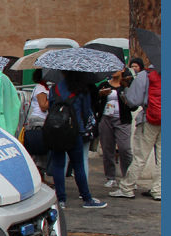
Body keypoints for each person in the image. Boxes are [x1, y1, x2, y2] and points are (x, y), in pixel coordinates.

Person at [47, 70, 106, 209]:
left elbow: (50, 109)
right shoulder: (82, 90)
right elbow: (86, 113)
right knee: (78, 165)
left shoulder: (54, 89)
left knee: (58, 165)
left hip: (56, 131)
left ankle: (61, 200)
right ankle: (86, 198)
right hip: (75, 131)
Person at [111, 58, 160, 201]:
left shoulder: (146, 74)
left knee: (140, 156)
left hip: (149, 119)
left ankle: (127, 187)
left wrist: (126, 88)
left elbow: (134, 101)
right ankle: (159, 190)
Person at [97, 68, 133, 187]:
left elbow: (133, 105)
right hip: (106, 119)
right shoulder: (104, 85)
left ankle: (128, 178)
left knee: (125, 149)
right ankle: (111, 177)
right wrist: (100, 95)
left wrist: (125, 89)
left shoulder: (126, 84)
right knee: (107, 150)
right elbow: (95, 102)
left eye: (116, 68)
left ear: (123, 69)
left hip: (123, 120)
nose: (114, 71)